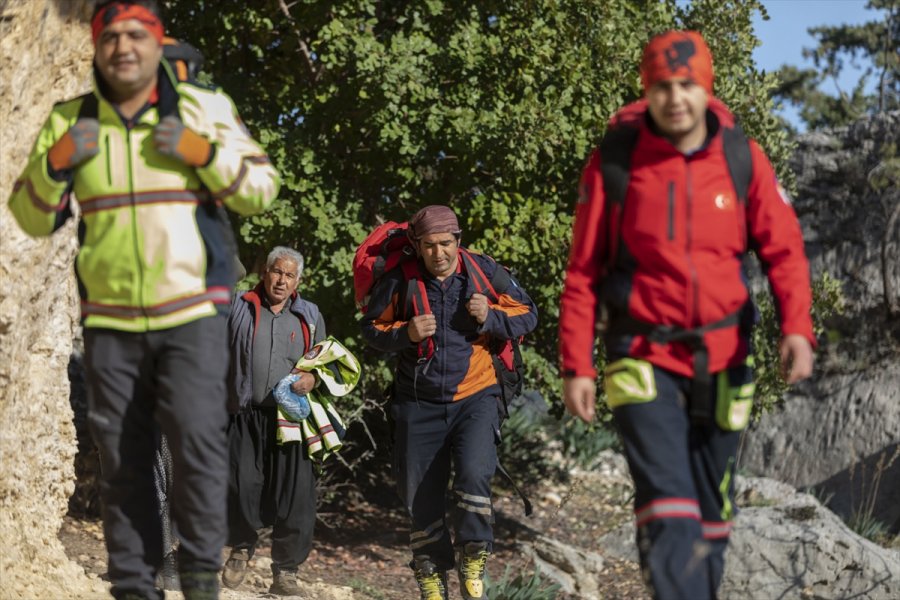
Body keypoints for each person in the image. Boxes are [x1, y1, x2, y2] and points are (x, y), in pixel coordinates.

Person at [7, 1, 280, 598]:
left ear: (157, 43)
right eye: (110, 37)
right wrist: (55, 164)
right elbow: (27, 215)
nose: (123, 47)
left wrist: (200, 154)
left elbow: (261, 187)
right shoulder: (69, 121)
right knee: (125, 463)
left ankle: (201, 577)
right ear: (96, 48)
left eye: (138, 34)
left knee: (197, 447)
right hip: (110, 322)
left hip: (192, 315)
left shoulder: (202, 109)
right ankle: (135, 585)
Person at [559, 30, 815, 600]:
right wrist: (577, 362)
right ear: (647, 91)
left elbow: (784, 250)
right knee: (668, 504)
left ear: (706, 88)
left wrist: (797, 327)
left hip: (726, 358)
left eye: (687, 85)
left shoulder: (741, 157)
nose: (675, 98)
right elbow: (583, 272)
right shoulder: (615, 165)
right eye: (662, 87)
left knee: (711, 510)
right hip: (640, 355)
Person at [360, 205, 538, 600]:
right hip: (417, 401)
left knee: (474, 474)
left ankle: (474, 554)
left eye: (445, 244)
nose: (438, 253)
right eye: (429, 245)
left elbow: (529, 314)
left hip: (476, 396)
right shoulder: (399, 281)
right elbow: (371, 330)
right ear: (417, 246)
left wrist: (489, 316)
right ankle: (430, 572)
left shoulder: (484, 273)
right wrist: (405, 332)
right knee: (419, 494)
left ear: (458, 241)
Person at [222, 246, 325, 596]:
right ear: (265, 272)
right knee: (240, 483)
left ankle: (286, 571)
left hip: (291, 417)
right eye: (277, 272)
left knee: (295, 495)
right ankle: (241, 548)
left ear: (298, 281)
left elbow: (322, 363)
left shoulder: (309, 314)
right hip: (244, 412)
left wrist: (313, 380)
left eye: (289, 275)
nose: (282, 280)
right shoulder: (238, 305)